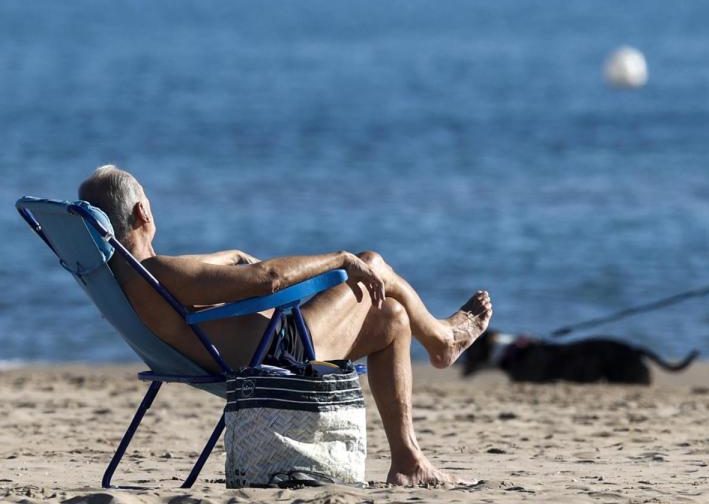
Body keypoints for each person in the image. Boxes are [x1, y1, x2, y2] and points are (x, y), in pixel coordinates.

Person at [78, 165, 494, 485]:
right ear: (142, 211)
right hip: (279, 349)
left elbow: (224, 267)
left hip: (237, 350)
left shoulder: (127, 276)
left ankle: (408, 462)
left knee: (391, 317)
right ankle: (441, 340)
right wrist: (339, 259)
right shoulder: (159, 272)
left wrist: (233, 257)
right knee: (371, 263)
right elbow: (267, 280)